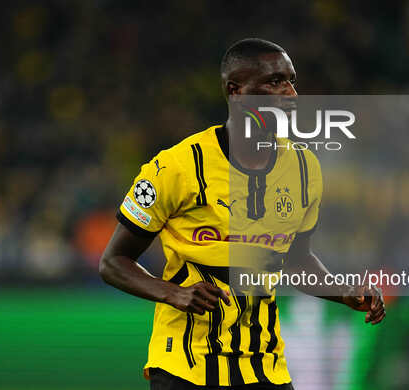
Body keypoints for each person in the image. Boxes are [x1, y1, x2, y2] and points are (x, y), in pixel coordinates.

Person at [99, 38, 385, 390]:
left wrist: (343, 292)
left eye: (291, 81)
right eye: (274, 82)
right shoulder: (179, 167)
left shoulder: (303, 167)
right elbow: (113, 262)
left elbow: (295, 260)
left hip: (264, 368)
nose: (291, 94)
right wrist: (173, 293)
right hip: (185, 367)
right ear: (236, 92)